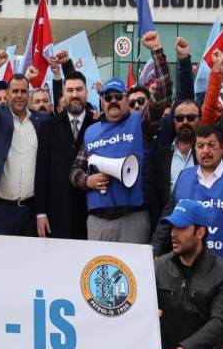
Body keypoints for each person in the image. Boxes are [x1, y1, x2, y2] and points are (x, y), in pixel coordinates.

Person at [69, 31, 171, 244]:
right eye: (108, 97)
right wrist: (87, 180)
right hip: (98, 220)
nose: (113, 101)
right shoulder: (91, 131)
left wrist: (157, 51)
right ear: (102, 101)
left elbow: (162, 94)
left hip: (132, 218)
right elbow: (75, 170)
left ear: (126, 99)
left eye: (118, 96)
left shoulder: (139, 123)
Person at [151, 124, 223, 283]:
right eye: (200, 146)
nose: (206, 151)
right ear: (195, 149)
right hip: (186, 268)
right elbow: (168, 217)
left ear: (222, 149)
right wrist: (155, 250)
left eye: (211, 145)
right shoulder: (184, 176)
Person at [156, 199, 223, 349]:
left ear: (200, 232)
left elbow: (220, 323)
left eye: (181, 228)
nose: (173, 234)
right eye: (172, 227)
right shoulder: (158, 267)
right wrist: (149, 314)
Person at [0, 50, 47, 236]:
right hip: (3, 210)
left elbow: (61, 116)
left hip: (31, 211)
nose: (19, 95)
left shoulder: (40, 121)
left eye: (23, 91)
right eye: (15, 91)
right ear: (8, 94)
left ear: (29, 94)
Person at [35, 71, 96, 240]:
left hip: (91, 213)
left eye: (79, 89)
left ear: (86, 92)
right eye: (70, 90)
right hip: (57, 214)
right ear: (63, 93)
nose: (74, 95)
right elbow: (42, 171)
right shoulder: (49, 126)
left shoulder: (98, 124)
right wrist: (40, 213)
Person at [151, 100, 200, 223]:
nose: (185, 122)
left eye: (190, 118)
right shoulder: (161, 156)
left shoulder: (207, 154)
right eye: (179, 118)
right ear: (173, 121)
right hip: (168, 222)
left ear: (200, 119)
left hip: (199, 223)